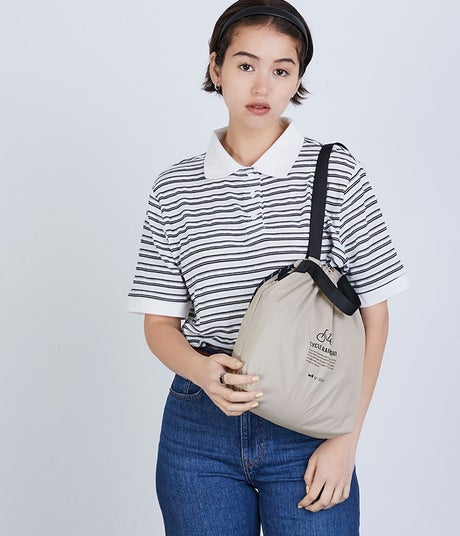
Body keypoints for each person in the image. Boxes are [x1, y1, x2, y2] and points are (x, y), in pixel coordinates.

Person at [127, 1, 409, 534]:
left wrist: (346, 438)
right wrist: (203, 373)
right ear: (216, 67)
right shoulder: (175, 188)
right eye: (245, 64)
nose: (262, 86)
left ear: (297, 79)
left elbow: (376, 313)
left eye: (281, 70)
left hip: (309, 425)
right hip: (199, 429)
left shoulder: (336, 172)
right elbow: (159, 323)